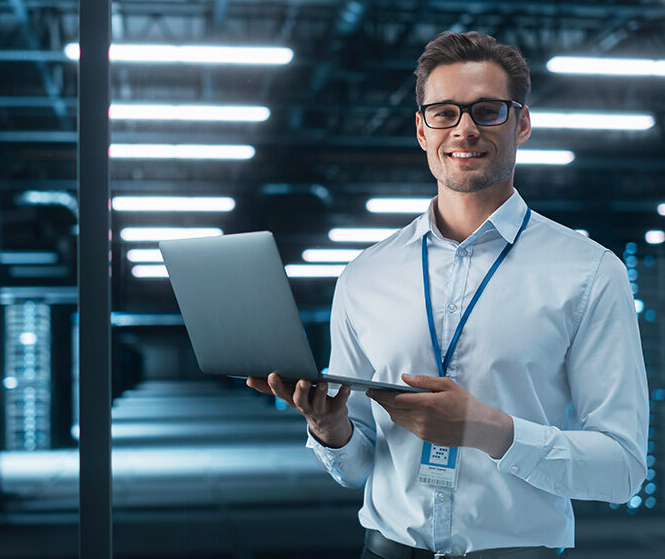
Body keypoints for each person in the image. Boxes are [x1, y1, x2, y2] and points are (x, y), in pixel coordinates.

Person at [247, 31, 649, 559]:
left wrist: (491, 431)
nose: (464, 128)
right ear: (421, 129)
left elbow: (621, 469)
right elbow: (361, 465)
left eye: (487, 111)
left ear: (521, 123)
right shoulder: (366, 274)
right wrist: (331, 428)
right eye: (444, 113)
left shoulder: (590, 273)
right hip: (385, 549)